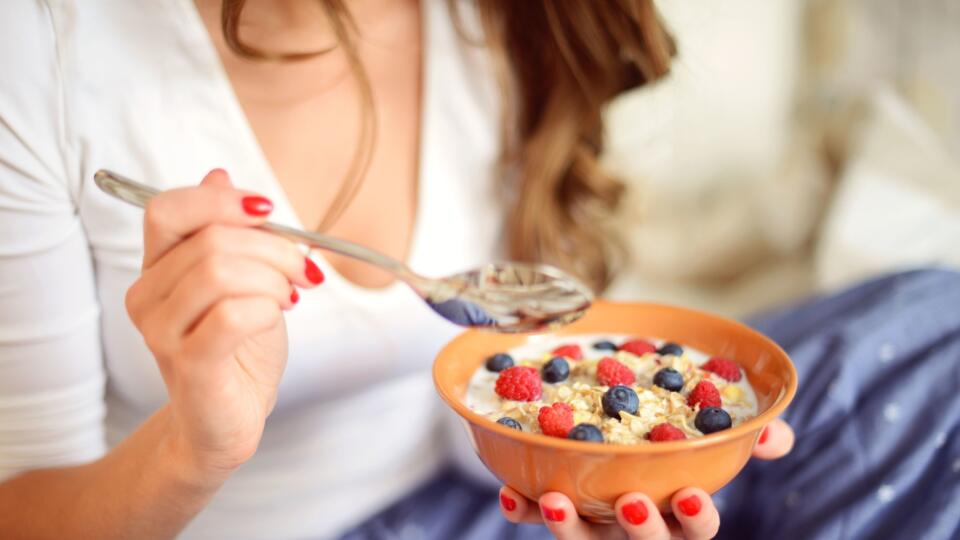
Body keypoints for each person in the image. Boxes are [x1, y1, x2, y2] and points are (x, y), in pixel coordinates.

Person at [1, 2, 957, 540]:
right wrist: (195, 448)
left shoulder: (497, 18)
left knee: (936, 332)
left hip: (493, 501)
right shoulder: (42, 49)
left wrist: (592, 471)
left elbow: (504, 367)